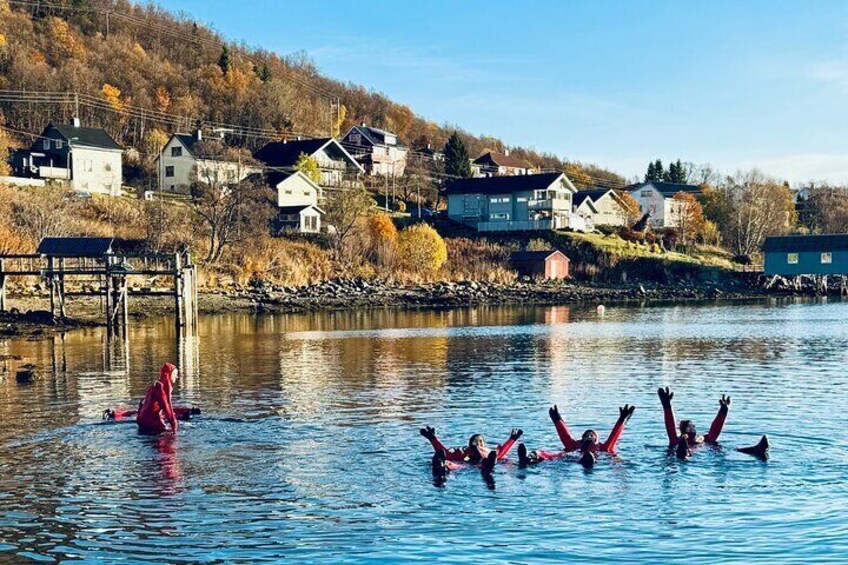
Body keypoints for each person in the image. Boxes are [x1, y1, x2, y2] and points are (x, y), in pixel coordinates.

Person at [657, 387, 769, 460]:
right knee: (680, 446)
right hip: (690, 452)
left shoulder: (703, 439)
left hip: (700, 452)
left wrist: (723, 411)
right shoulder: (678, 440)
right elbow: (671, 427)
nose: (691, 427)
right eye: (688, 426)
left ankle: (757, 449)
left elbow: (715, 431)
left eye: (691, 426)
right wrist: (667, 405)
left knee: (732, 449)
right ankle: (684, 452)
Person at [517, 404, 636, 468]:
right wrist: (557, 419)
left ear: (596, 439)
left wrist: (622, 419)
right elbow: (565, 435)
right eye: (587, 434)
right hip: (566, 457)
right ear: (582, 437)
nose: (590, 435)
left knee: (587, 457)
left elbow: (613, 437)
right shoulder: (574, 444)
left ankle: (588, 461)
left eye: (592, 435)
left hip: (583, 458)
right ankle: (529, 458)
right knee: (544, 453)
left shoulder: (602, 447)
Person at [420, 426, 523, 478]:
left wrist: (513, 439)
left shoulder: (488, 452)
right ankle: (441, 466)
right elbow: (446, 453)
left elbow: (500, 452)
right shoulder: (464, 450)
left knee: (490, 463)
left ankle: (488, 465)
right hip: (465, 464)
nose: (479, 443)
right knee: (451, 464)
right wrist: (433, 438)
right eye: (476, 441)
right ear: (470, 443)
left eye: (481, 441)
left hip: (481, 464)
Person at [136, 363, 182, 435]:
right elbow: (167, 408)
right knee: (171, 436)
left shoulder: (155, 385)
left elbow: (143, 403)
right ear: (169, 374)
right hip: (152, 422)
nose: (176, 377)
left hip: (141, 420)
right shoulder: (161, 388)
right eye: (174, 374)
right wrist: (174, 426)